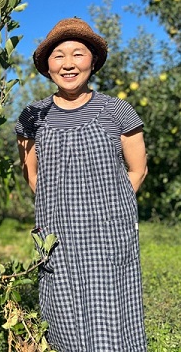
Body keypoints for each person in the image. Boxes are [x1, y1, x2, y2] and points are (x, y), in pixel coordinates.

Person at [15, 18, 148, 351]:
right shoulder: (33, 116)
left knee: (111, 312)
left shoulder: (117, 110)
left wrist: (110, 208)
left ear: (93, 61)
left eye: (78, 53)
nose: (69, 63)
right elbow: (31, 174)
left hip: (107, 233)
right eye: (59, 56)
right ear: (47, 66)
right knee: (63, 312)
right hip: (56, 234)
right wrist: (58, 207)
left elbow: (138, 170)